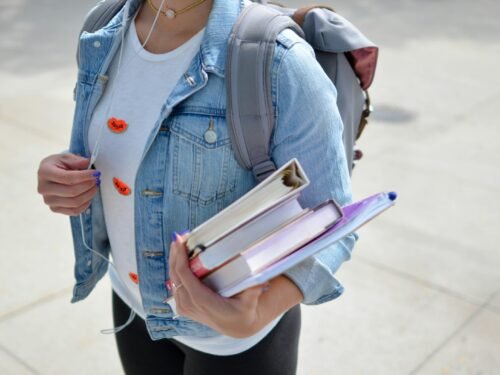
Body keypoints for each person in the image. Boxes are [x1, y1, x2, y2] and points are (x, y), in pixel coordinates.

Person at [37, 0, 356, 374]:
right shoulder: (102, 27)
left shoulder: (280, 61)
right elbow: (123, 143)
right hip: (132, 304)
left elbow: (332, 221)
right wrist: (63, 173)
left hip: (235, 344)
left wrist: (255, 315)